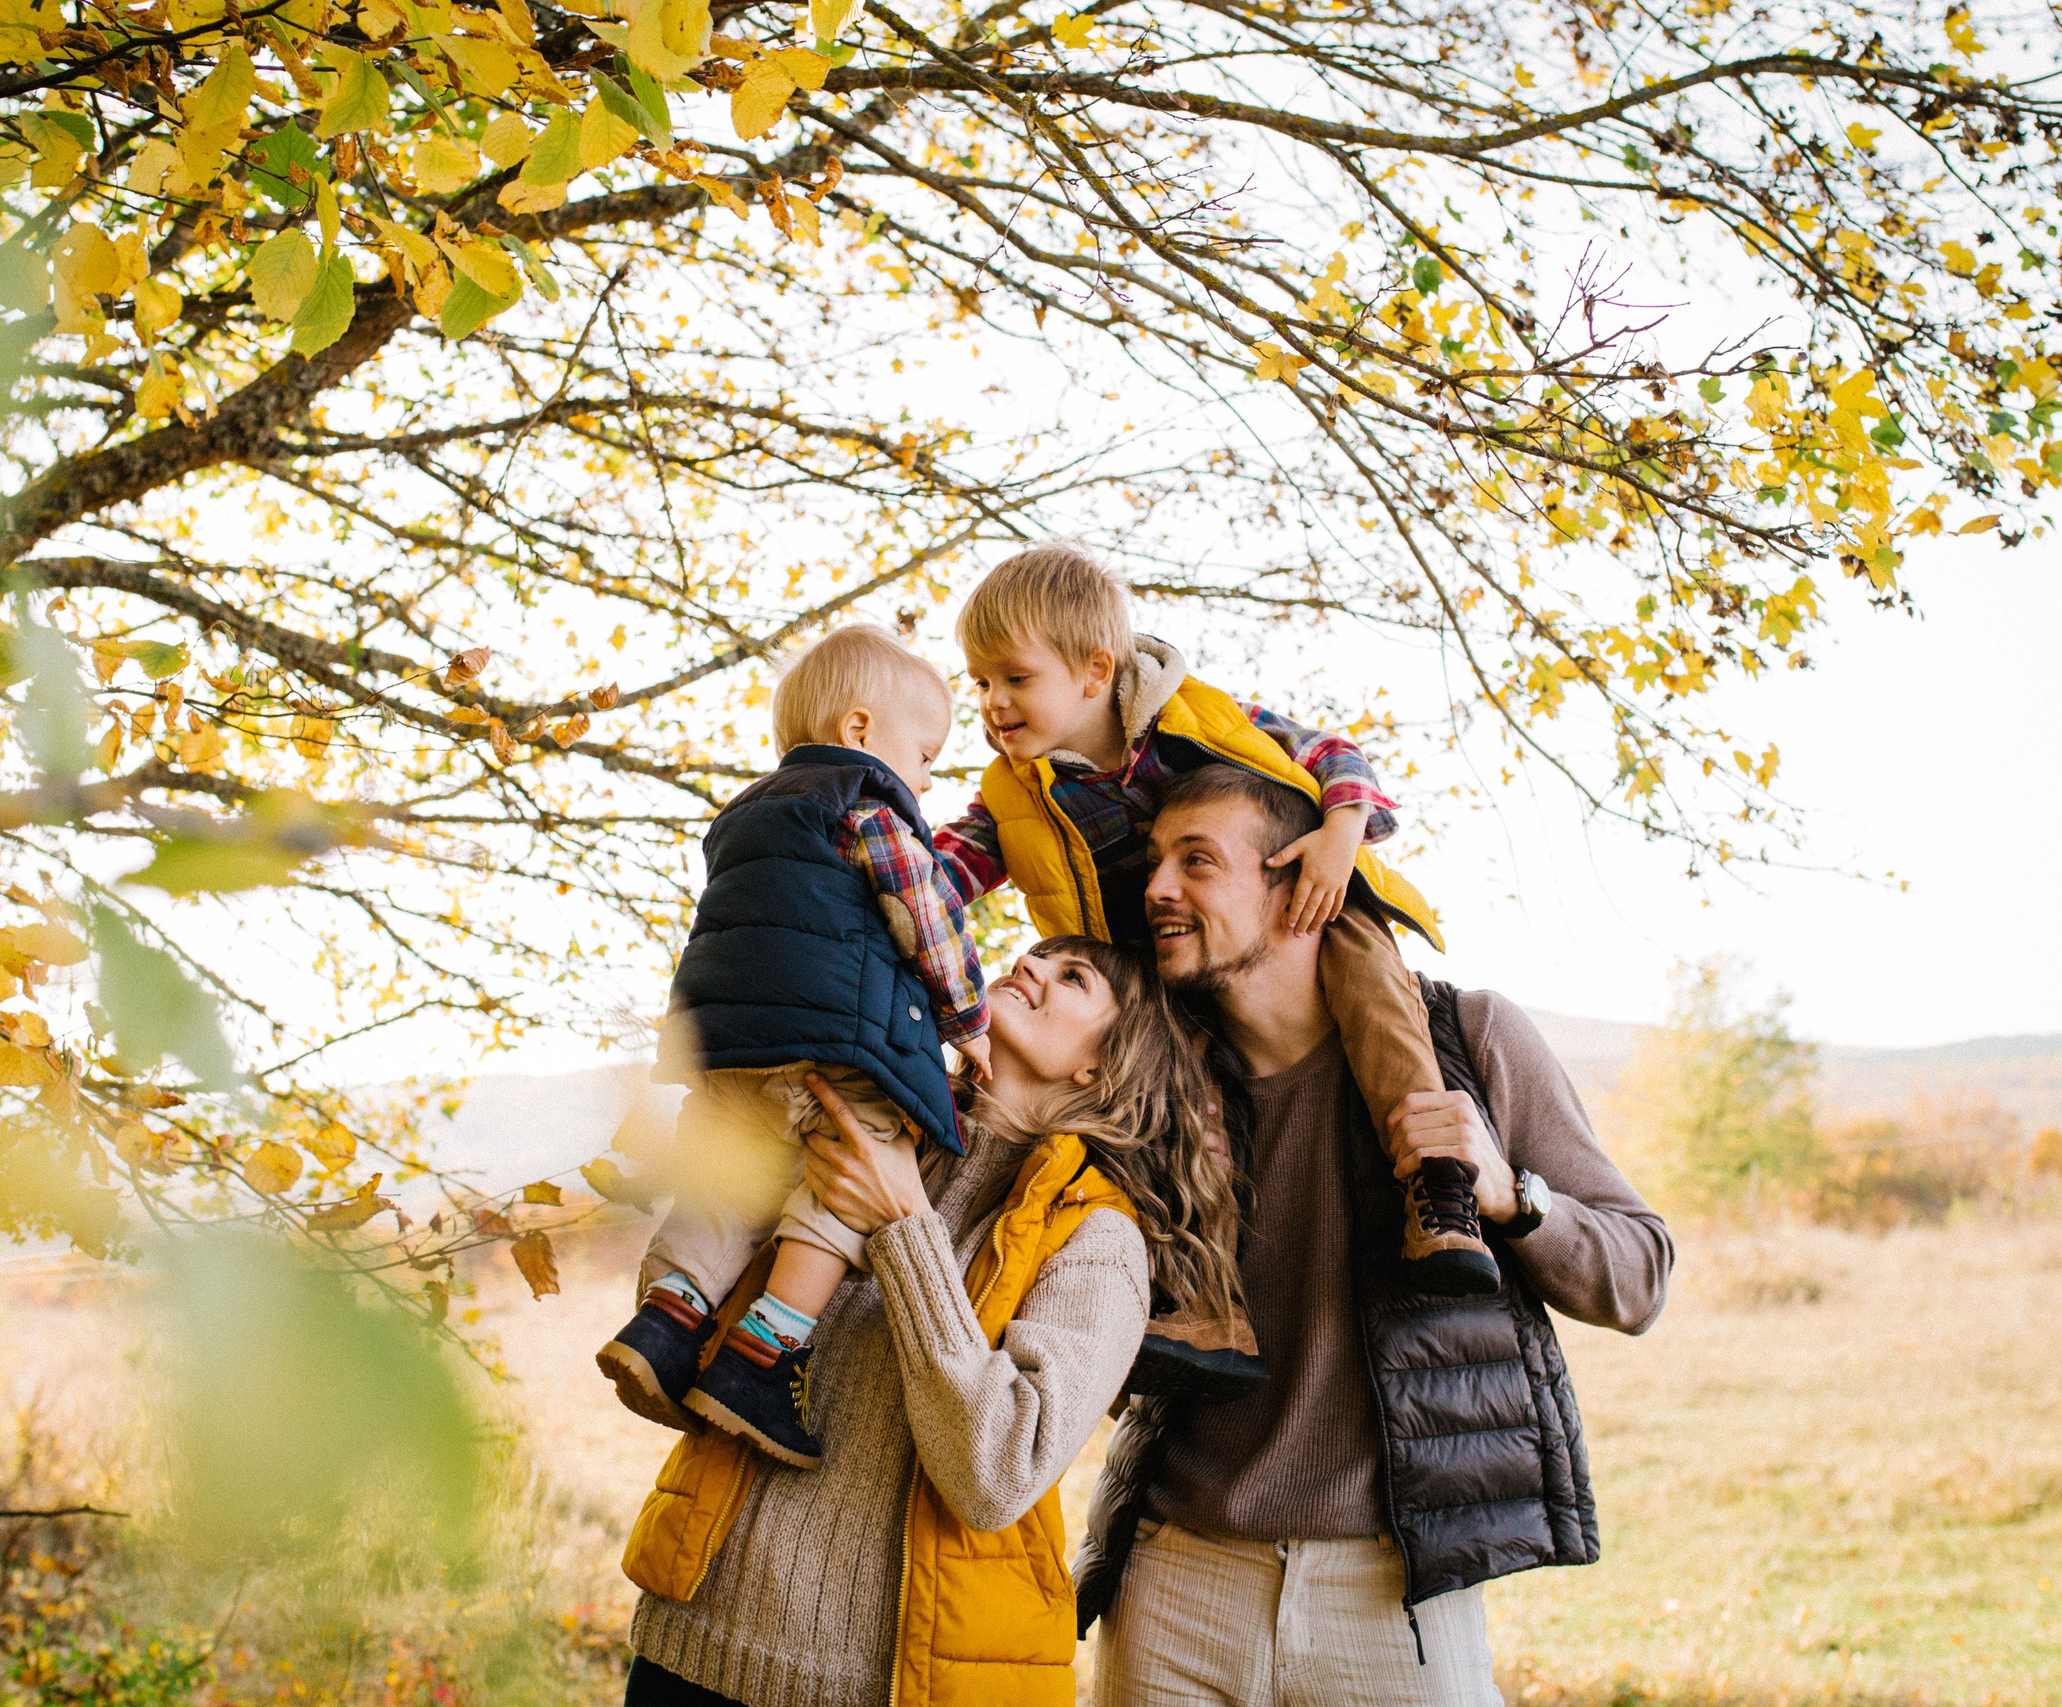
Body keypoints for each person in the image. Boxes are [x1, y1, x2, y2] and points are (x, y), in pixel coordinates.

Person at [1078, 764, 1675, 1706]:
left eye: (1198, 861)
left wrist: (1510, 1195)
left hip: (1397, 1597)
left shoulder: (1466, 1040)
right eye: (1156, 861)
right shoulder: (1147, 1077)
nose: (1157, 888)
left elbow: (1640, 1275)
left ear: (1303, 886)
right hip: (1176, 1578)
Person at [623, 938, 1237, 1707]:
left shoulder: (1098, 1237)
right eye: (1030, 958)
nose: (1029, 970)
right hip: (692, 1641)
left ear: (1102, 1063)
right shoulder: (867, 1113)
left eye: (1070, 976)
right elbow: (688, 1322)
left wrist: (903, 1224)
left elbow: (998, 1474)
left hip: (884, 1687)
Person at [935, 542, 1503, 1298]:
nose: (993, 703)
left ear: (1095, 671)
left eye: (1016, 678)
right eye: (980, 681)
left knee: (1376, 997)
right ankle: (1205, 1293)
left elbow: (1331, 750)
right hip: (1170, 961)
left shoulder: (1195, 716)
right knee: (1175, 1101)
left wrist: (1340, 837)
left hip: (1309, 897)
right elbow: (941, 873)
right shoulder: (1015, 792)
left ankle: (1439, 1190)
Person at [597, 624, 993, 1469]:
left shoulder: (744, 813)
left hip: (728, 1049)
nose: (927, 779)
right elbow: (927, 919)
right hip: (837, 1042)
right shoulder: (869, 805)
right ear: (859, 731)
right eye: (925, 755)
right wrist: (969, 1021)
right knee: (850, 1174)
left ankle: (669, 1319)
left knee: (734, 1182)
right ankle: (766, 1355)